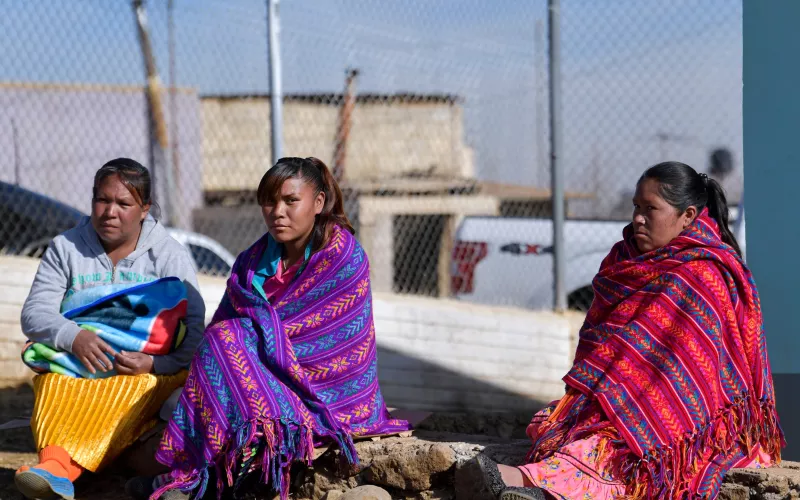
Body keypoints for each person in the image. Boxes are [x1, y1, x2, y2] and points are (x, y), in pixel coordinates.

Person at [478, 162, 784, 500]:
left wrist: (630, 407)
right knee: (557, 427)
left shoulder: (702, 275)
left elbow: (685, 374)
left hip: (685, 419)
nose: (638, 218)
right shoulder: (621, 261)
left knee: (619, 449)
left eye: (651, 209)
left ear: (687, 216)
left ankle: (527, 485)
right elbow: (606, 346)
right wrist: (611, 400)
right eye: (636, 206)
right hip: (617, 400)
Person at [130, 157, 409, 500]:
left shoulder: (342, 257)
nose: (278, 212)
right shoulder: (251, 262)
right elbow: (225, 331)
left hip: (328, 394)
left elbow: (329, 343)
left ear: (318, 202)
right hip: (262, 378)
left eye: (291, 201)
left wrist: (251, 343)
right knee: (222, 342)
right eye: (269, 202)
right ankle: (200, 476)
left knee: (230, 343)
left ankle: (196, 479)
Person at [15, 158, 205, 500]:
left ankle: (81, 468)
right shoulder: (66, 248)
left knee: (145, 403)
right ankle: (56, 469)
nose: (110, 212)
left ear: (144, 209)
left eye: (123, 204)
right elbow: (35, 313)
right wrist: (75, 337)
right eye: (102, 200)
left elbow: (193, 331)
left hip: (143, 377)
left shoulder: (168, 257)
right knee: (54, 382)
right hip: (80, 371)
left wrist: (155, 364)